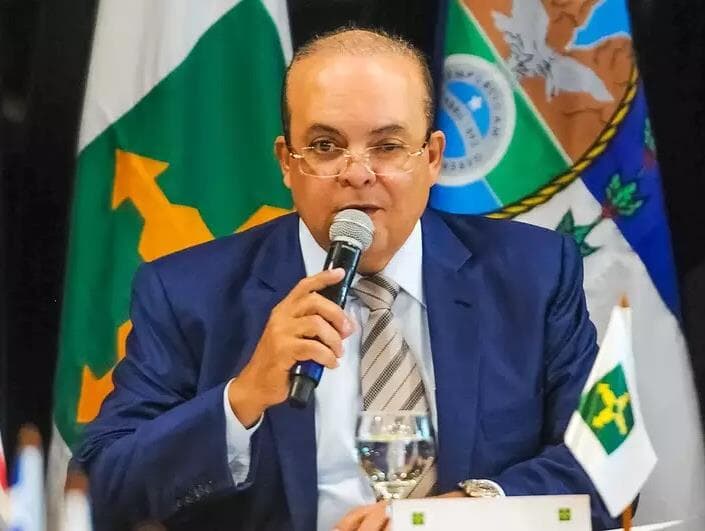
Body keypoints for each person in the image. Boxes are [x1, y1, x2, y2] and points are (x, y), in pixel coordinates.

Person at [76, 28, 620, 531]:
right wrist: (242, 396)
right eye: (325, 146)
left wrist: (467, 514)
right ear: (287, 163)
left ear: (432, 157)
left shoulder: (532, 274)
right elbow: (101, 489)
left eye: (387, 146)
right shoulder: (187, 293)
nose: (357, 173)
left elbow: (606, 458)